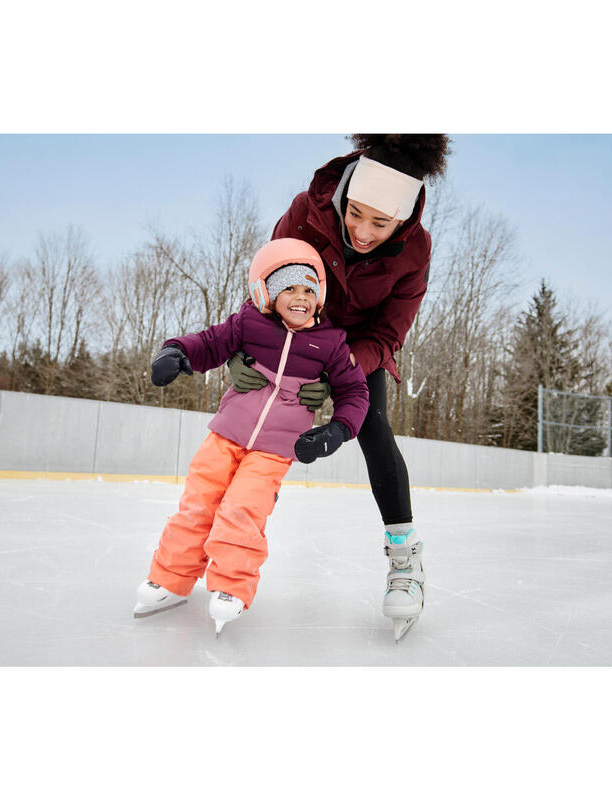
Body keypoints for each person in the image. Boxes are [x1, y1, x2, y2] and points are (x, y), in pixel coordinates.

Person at [227, 134, 450, 641]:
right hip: (295, 330)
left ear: (405, 217)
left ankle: (405, 558)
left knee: (373, 427)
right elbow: (269, 283)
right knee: (263, 425)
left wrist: (343, 366)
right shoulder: (306, 211)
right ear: (345, 191)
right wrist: (244, 348)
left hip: (358, 349)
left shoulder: (416, 250)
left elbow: (389, 333)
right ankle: (230, 542)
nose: (363, 231)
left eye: (381, 222)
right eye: (356, 213)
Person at [133, 238, 370, 635]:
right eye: (290, 288)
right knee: (197, 504)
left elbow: (356, 392)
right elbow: (209, 343)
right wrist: (174, 352)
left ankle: (231, 587)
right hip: (226, 435)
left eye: (310, 289)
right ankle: (170, 579)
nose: (301, 297)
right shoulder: (248, 323)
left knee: (242, 510)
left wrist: (337, 429)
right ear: (266, 293)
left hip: (275, 449)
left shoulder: (330, 343)